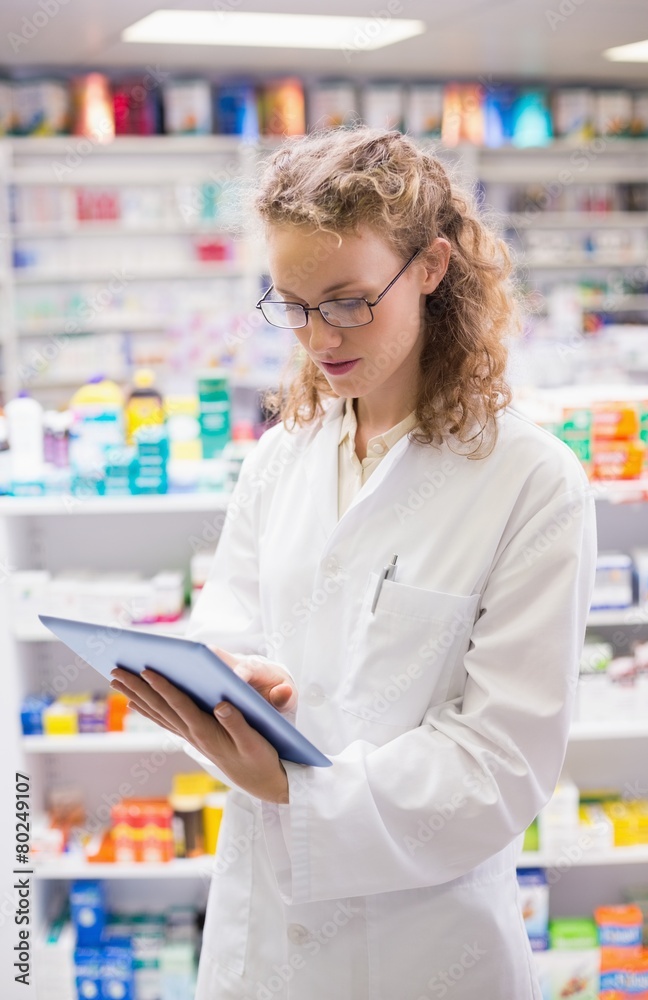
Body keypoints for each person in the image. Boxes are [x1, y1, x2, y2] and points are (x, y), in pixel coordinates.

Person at [110, 127, 597, 1000]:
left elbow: (501, 763)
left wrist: (301, 791)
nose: (316, 336)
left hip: (427, 950)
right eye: (291, 304)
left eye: (344, 300)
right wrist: (228, 683)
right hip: (262, 943)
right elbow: (230, 622)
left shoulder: (529, 481)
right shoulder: (280, 458)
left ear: (431, 267)